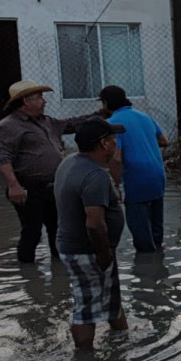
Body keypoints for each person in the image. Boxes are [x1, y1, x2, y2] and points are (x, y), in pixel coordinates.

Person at [0, 79, 100, 263]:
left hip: (54, 186)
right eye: (40, 97)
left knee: (58, 229)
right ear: (26, 101)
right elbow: (2, 158)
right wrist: (13, 186)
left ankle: (60, 270)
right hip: (28, 187)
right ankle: (28, 273)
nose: (44, 101)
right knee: (32, 230)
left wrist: (99, 115)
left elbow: (72, 124)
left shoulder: (47, 121)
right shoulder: (8, 126)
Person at [53, 116, 128, 349]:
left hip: (84, 247)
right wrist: (104, 255)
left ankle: (123, 345)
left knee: (111, 300)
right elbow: (94, 224)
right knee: (86, 310)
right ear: (104, 144)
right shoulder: (94, 176)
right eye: (113, 139)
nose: (116, 143)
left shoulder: (69, 162)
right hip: (88, 251)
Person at [99, 85, 169, 252]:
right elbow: (164, 141)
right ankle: (159, 265)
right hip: (158, 177)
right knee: (156, 231)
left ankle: (147, 269)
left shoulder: (113, 124)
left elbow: (116, 159)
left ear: (106, 103)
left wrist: (116, 186)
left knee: (141, 236)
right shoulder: (145, 117)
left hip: (137, 181)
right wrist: (142, 141)